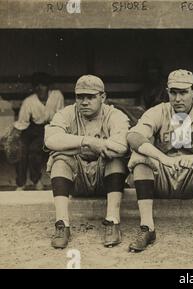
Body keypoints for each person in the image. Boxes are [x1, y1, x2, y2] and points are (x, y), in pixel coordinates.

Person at [127, 69, 193, 252]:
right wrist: (162, 158)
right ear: (167, 92)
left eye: (183, 92)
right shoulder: (159, 111)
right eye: (173, 92)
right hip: (163, 178)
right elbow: (134, 136)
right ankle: (147, 228)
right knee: (139, 157)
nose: (178, 98)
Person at [44, 75, 130, 249]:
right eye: (80, 97)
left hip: (105, 179)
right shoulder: (66, 113)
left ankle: (112, 221)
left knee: (115, 159)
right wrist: (88, 142)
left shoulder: (114, 115)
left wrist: (71, 145)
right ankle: (62, 224)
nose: (84, 102)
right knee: (59, 158)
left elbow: (121, 146)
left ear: (103, 97)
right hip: (76, 180)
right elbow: (50, 140)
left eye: (90, 97)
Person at [14, 72, 64, 191]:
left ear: (48, 86)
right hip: (32, 128)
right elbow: (23, 122)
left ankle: (36, 180)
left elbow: (60, 115)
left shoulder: (57, 96)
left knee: (34, 150)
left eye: (43, 85)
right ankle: (21, 183)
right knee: (21, 149)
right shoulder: (29, 101)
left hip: (51, 128)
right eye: (37, 85)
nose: (40, 88)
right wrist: (16, 134)